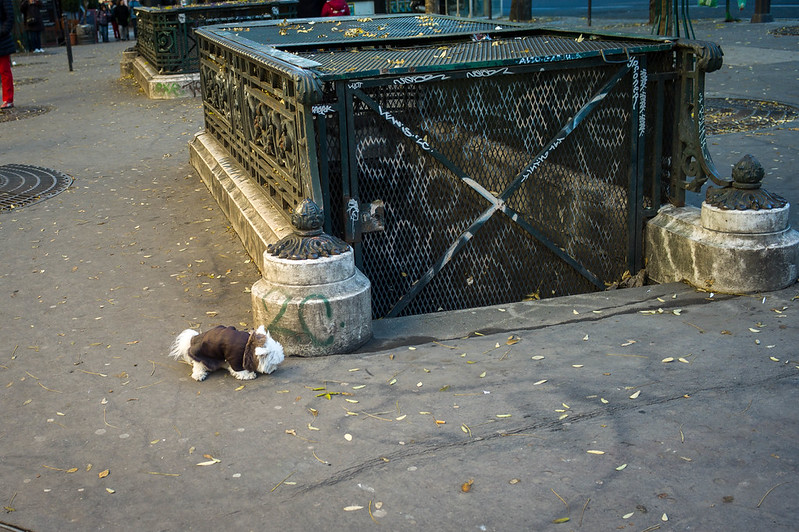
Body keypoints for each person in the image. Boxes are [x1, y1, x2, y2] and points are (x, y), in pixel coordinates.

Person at [0, 0, 14, 109]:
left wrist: (3, 31)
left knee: (4, 70)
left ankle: (8, 99)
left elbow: (10, 16)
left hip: (2, 41)